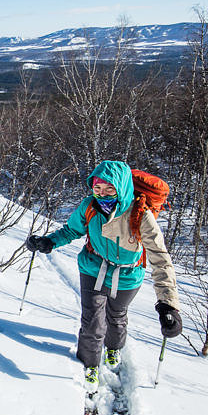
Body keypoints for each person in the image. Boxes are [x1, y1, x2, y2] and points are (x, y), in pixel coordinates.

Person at [25, 160, 182, 391]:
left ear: (122, 188)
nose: (102, 194)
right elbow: (72, 230)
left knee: (116, 317)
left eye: (109, 189)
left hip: (128, 276)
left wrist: (168, 305)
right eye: (97, 188)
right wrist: (49, 241)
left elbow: (160, 259)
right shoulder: (89, 206)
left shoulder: (140, 215)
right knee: (92, 322)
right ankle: (89, 364)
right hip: (93, 267)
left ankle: (113, 349)